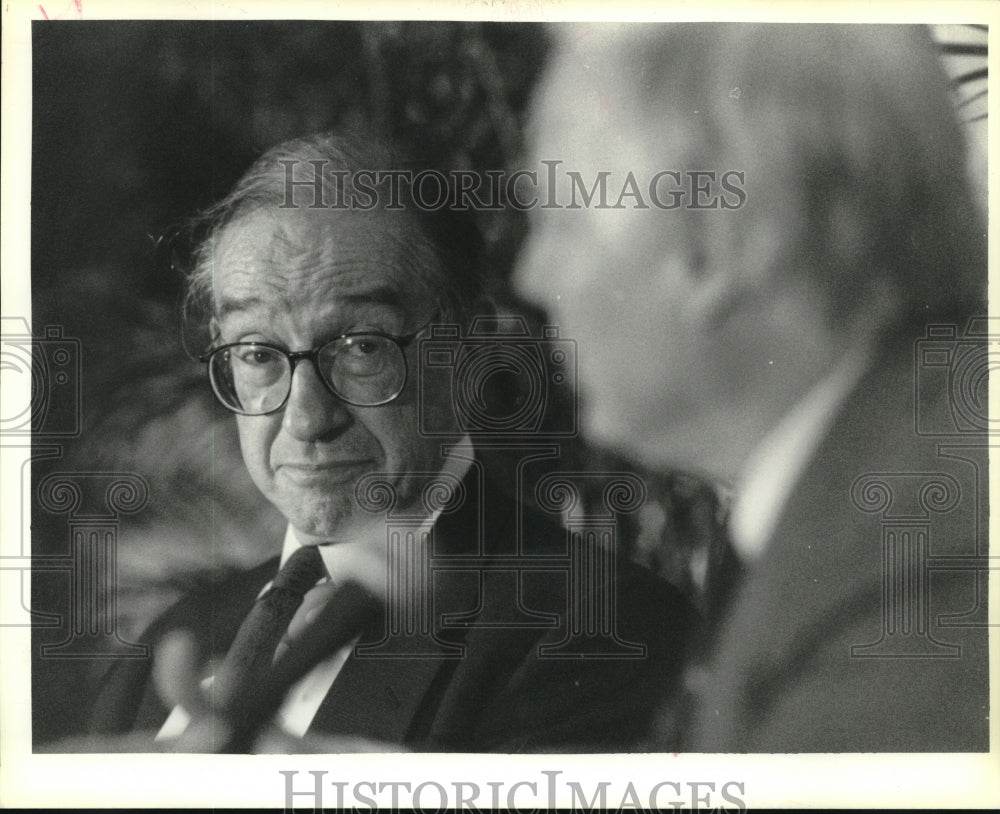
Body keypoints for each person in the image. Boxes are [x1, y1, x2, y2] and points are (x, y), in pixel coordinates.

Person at [86, 129, 695, 753]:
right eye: (258, 353)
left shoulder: (595, 625)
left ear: (469, 346)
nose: (306, 418)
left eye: (362, 347)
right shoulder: (169, 644)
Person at [515, 23, 989, 752]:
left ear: (726, 246)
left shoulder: (922, 565)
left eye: (564, 221)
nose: (532, 278)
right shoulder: (886, 494)